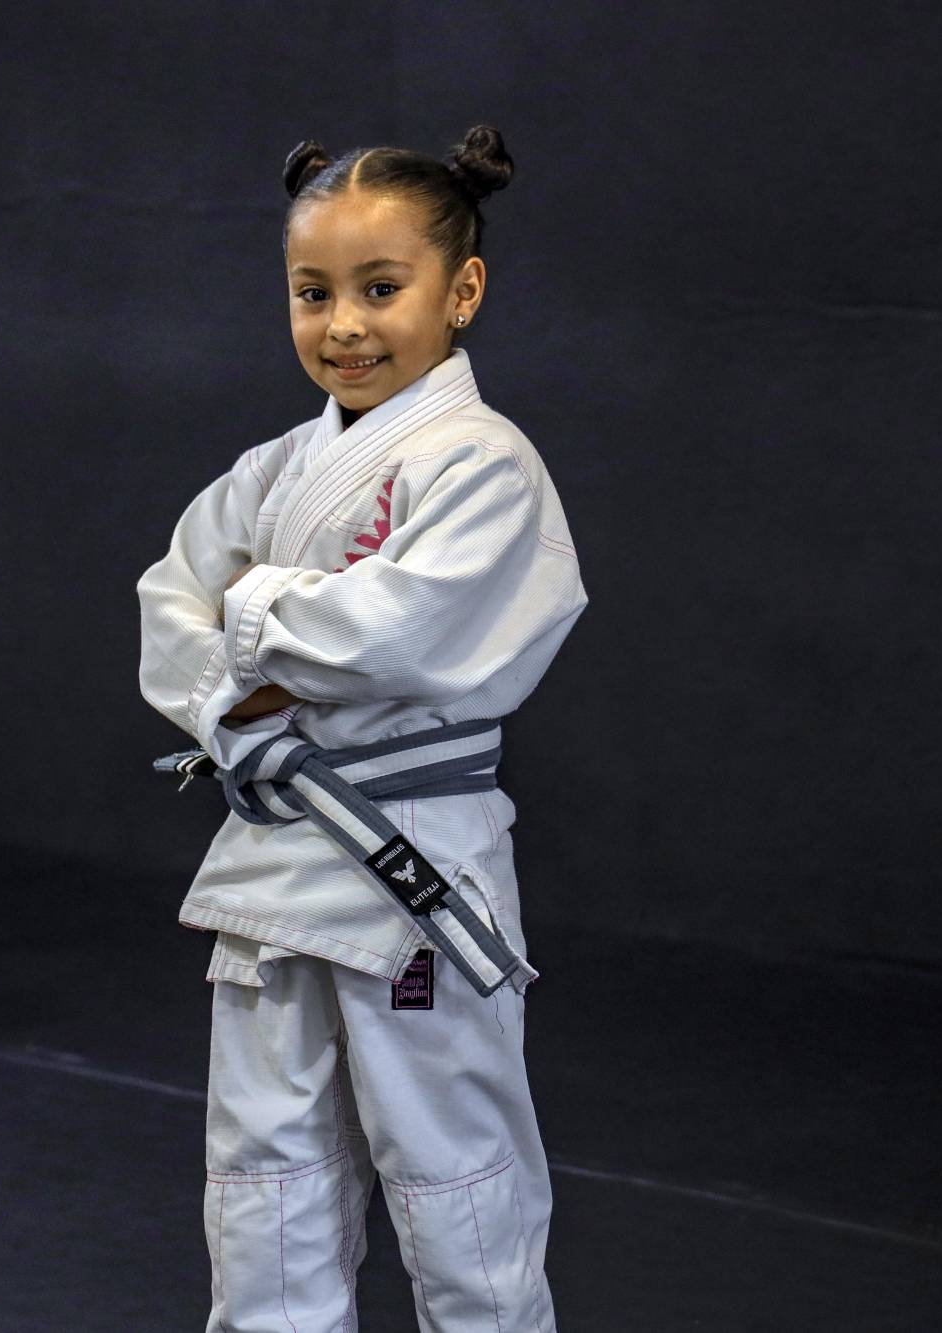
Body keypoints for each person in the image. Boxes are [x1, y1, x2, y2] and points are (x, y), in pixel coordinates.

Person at [138, 126, 586, 1331]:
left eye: (380, 291)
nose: (344, 324)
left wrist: (254, 611)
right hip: (275, 858)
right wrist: (249, 693)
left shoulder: (482, 464)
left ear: (462, 291)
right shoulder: (277, 466)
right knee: (262, 1163)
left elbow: (402, 630)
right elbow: (165, 603)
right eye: (313, 292)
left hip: (409, 856)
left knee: (450, 1161)